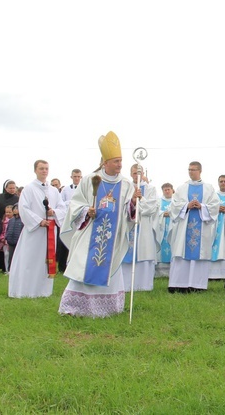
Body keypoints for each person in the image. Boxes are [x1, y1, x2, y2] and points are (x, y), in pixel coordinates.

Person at [58, 131, 138, 317]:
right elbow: (76, 204)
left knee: (110, 267)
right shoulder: (90, 180)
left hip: (113, 236)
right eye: (116, 161)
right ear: (105, 162)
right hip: (90, 234)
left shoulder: (126, 184)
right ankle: (75, 308)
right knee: (84, 266)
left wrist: (133, 201)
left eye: (120, 161)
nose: (120, 165)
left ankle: (109, 309)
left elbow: (129, 211)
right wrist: (87, 211)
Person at [8, 160, 67, 297]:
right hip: (35, 231)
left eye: (46, 168)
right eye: (41, 168)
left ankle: (43, 291)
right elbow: (23, 208)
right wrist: (39, 221)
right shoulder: (29, 189)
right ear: (35, 170)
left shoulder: (53, 190)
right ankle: (26, 290)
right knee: (30, 260)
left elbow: (62, 208)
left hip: (50, 231)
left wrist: (54, 212)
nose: (44, 171)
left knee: (45, 261)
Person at [167, 161, 220, 293]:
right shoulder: (182, 188)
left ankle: (197, 285)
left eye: (194, 170)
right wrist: (186, 206)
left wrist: (202, 206)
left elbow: (215, 205)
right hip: (184, 226)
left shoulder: (208, 188)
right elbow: (174, 205)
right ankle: (179, 284)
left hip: (201, 226)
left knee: (199, 256)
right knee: (182, 254)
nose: (191, 172)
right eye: (189, 169)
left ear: (200, 171)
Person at [121, 164, 159, 292]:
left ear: (143, 174)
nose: (136, 175)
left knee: (143, 251)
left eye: (138, 173)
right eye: (133, 173)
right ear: (130, 173)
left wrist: (140, 198)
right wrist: (132, 200)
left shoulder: (150, 188)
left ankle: (143, 285)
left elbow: (152, 208)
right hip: (128, 224)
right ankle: (125, 285)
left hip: (144, 226)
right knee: (126, 253)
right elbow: (121, 206)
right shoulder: (125, 187)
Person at [58, 169, 83, 272]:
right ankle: (62, 267)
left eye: (78, 176)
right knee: (65, 241)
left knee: (78, 242)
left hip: (80, 219)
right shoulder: (65, 190)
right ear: (71, 177)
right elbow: (61, 203)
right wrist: (70, 203)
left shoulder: (84, 188)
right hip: (68, 218)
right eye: (75, 176)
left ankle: (76, 265)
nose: (77, 178)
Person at [0, 180, 19, 272]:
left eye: (13, 188)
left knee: (9, 250)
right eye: (10, 188)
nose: (12, 190)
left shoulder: (17, 199)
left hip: (12, 224)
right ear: (5, 188)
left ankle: (8, 268)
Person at [155, 183, 174, 278]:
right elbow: (155, 211)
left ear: (172, 190)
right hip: (161, 228)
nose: (167, 191)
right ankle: (159, 273)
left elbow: (178, 210)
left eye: (168, 189)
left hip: (172, 228)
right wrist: (162, 214)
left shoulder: (176, 200)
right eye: (165, 190)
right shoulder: (159, 201)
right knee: (161, 243)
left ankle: (172, 271)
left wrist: (170, 213)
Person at [4, 204, 23, 272]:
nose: (15, 210)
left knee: (18, 257)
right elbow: (8, 229)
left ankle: (18, 271)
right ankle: (9, 270)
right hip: (11, 241)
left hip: (19, 241)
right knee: (10, 257)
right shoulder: (11, 220)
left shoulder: (23, 220)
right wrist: (6, 237)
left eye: (17, 208)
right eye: (14, 209)